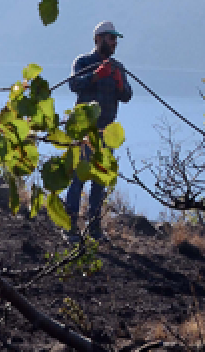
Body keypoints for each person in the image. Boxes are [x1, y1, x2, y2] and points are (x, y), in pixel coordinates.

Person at [65, 20, 133, 242]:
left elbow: (127, 95)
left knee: (100, 182)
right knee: (77, 179)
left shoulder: (118, 67)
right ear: (98, 39)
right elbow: (73, 84)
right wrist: (96, 75)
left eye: (115, 39)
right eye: (111, 38)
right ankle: (70, 228)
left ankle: (94, 230)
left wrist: (118, 82)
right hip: (84, 133)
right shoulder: (83, 61)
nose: (114, 43)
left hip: (107, 133)